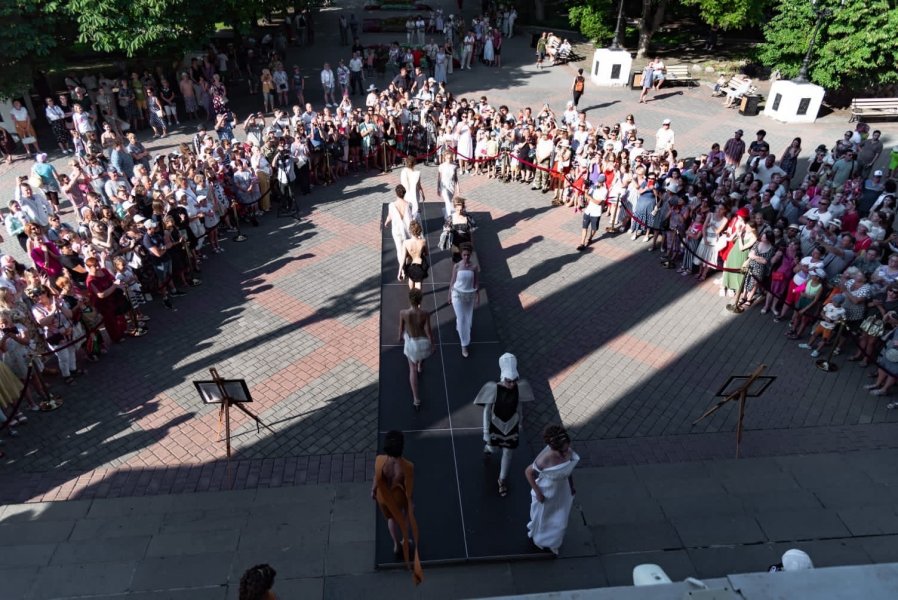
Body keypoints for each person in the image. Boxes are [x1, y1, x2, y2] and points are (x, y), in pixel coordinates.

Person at [474, 353, 534, 497]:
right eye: (508, 380)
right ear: (503, 377)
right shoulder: (493, 389)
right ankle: (488, 449)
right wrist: (486, 432)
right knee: (493, 449)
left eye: (514, 380)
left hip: (511, 425)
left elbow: (519, 407)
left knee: (508, 453)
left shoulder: (519, 389)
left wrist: (520, 422)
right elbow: (486, 411)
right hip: (495, 425)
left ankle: (502, 480)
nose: (512, 384)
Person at [371, 430, 423, 584]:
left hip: (383, 497)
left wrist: (373, 490)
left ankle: (395, 544)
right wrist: (410, 502)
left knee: (391, 519)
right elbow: (408, 488)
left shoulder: (380, 460)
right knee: (404, 516)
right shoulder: (407, 466)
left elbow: (377, 477)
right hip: (398, 498)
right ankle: (404, 540)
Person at [525, 424, 579, 556]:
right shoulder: (545, 458)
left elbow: (568, 470)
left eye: (567, 447)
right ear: (555, 448)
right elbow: (528, 472)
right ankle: (541, 540)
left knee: (560, 522)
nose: (567, 452)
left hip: (562, 490)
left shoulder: (568, 451)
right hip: (547, 492)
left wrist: (571, 486)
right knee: (545, 518)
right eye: (563, 450)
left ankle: (553, 542)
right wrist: (538, 493)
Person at [398, 288, 432, 410]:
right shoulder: (425, 313)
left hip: (411, 343)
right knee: (422, 356)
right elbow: (428, 330)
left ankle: (416, 399)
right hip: (423, 342)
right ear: (420, 300)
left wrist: (399, 338)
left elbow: (401, 329)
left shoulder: (403, 313)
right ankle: (420, 365)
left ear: (410, 300)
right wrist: (432, 344)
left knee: (411, 369)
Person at [449, 242, 479, 357]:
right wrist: (449, 294)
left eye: (468, 255)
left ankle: (460, 327)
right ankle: (464, 345)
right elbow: (452, 281)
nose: (466, 257)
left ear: (470, 255)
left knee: (468, 319)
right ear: (461, 254)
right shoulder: (456, 266)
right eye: (464, 255)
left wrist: (477, 295)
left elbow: (476, 282)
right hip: (456, 294)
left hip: (469, 295)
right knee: (461, 319)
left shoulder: (474, 267)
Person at [384, 184, 412, 280]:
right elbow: (410, 217)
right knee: (407, 250)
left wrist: (386, 222)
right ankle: (407, 267)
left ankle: (403, 270)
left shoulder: (391, 205)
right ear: (404, 194)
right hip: (407, 231)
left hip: (396, 231)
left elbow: (390, 216)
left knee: (399, 250)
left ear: (396, 194)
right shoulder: (408, 204)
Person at [401, 220, 428, 290]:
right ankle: (418, 295)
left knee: (411, 278)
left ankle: (411, 292)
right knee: (419, 281)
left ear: (410, 231)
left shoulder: (406, 242)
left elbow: (403, 258)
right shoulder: (423, 241)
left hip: (410, 264)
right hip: (420, 264)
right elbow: (426, 253)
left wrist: (400, 271)